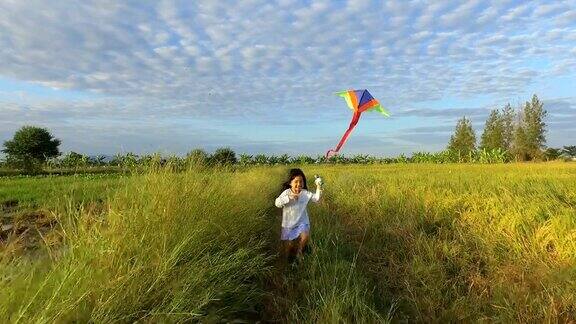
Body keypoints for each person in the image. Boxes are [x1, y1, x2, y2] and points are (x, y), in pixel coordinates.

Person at [274, 168, 322, 262]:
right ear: (290, 183)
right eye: (296, 181)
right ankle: (289, 258)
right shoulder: (286, 193)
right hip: (288, 224)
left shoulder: (305, 193)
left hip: (302, 222)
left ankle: (300, 253)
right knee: (288, 247)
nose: (299, 184)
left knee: (305, 236)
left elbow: (316, 198)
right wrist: (289, 198)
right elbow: (277, 203)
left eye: (301, 181)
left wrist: (318, 187)